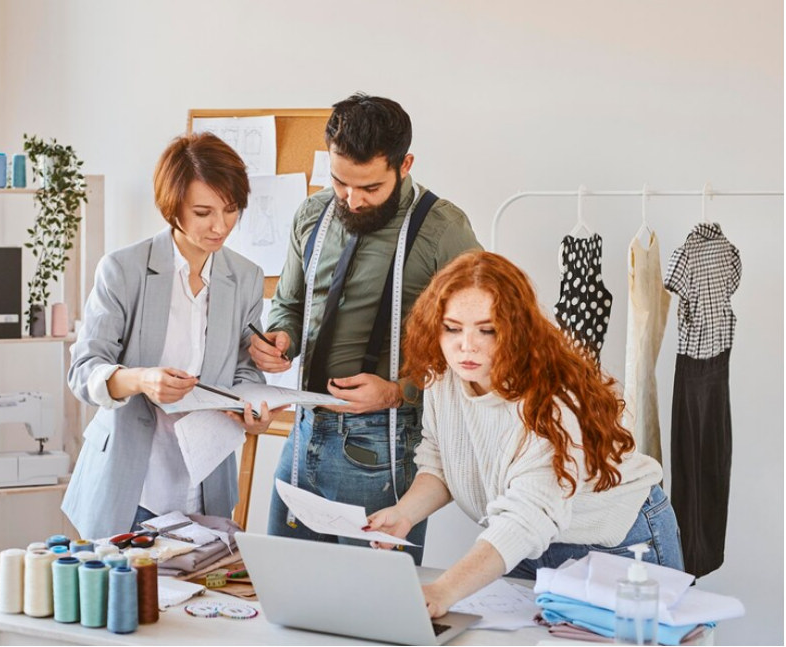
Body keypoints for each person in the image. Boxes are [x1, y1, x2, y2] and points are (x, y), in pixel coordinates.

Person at [367, 251, 683, 617]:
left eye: (487, 330)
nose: (465, 346)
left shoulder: (554, 399)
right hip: (520, 543)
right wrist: (405, 513)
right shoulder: (446, 376)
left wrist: (443, 590)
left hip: (612, 543)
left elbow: (527, 518)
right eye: (452, 328)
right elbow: (441, 461)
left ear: (515, 329)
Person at [251, 94, 481, 562]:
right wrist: (282, 338)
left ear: (405, 164)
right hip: (303, 432)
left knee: (375, 610)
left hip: (383, 446)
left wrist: (399, 391)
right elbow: (289, 304)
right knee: (286, 589)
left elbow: (481, 347)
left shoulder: (445, 230)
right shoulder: (311, 215)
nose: (352, 200)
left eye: (370, 188)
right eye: (340, 182)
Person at [62, 132, 283, 540]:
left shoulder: (246, 277)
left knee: (198, 602)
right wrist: (142, 379)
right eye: (203, 212)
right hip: (130, 483)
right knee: (126, 603)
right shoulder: (123, 270)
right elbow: (83, 370)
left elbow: (245, 373)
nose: (220, 226)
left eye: (231, 209)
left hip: (204, 482)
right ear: (173, 209)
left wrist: (252, 411)